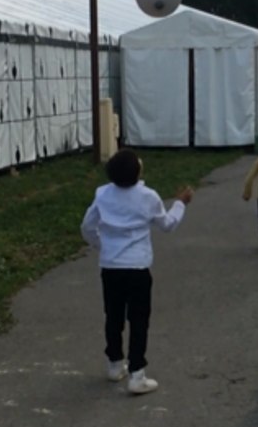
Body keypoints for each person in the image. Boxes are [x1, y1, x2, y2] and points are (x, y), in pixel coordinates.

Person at [80, 149, 193, 395]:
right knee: (139, 320)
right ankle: (137, 374)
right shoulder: (148, 196)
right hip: (138, 267)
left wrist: (103, 246)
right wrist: (180, 204)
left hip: (110, 266)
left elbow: (87, 227)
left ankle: (114, 364)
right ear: (137, 172)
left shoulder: (102, 194)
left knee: (113, 316)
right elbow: (167, 225)